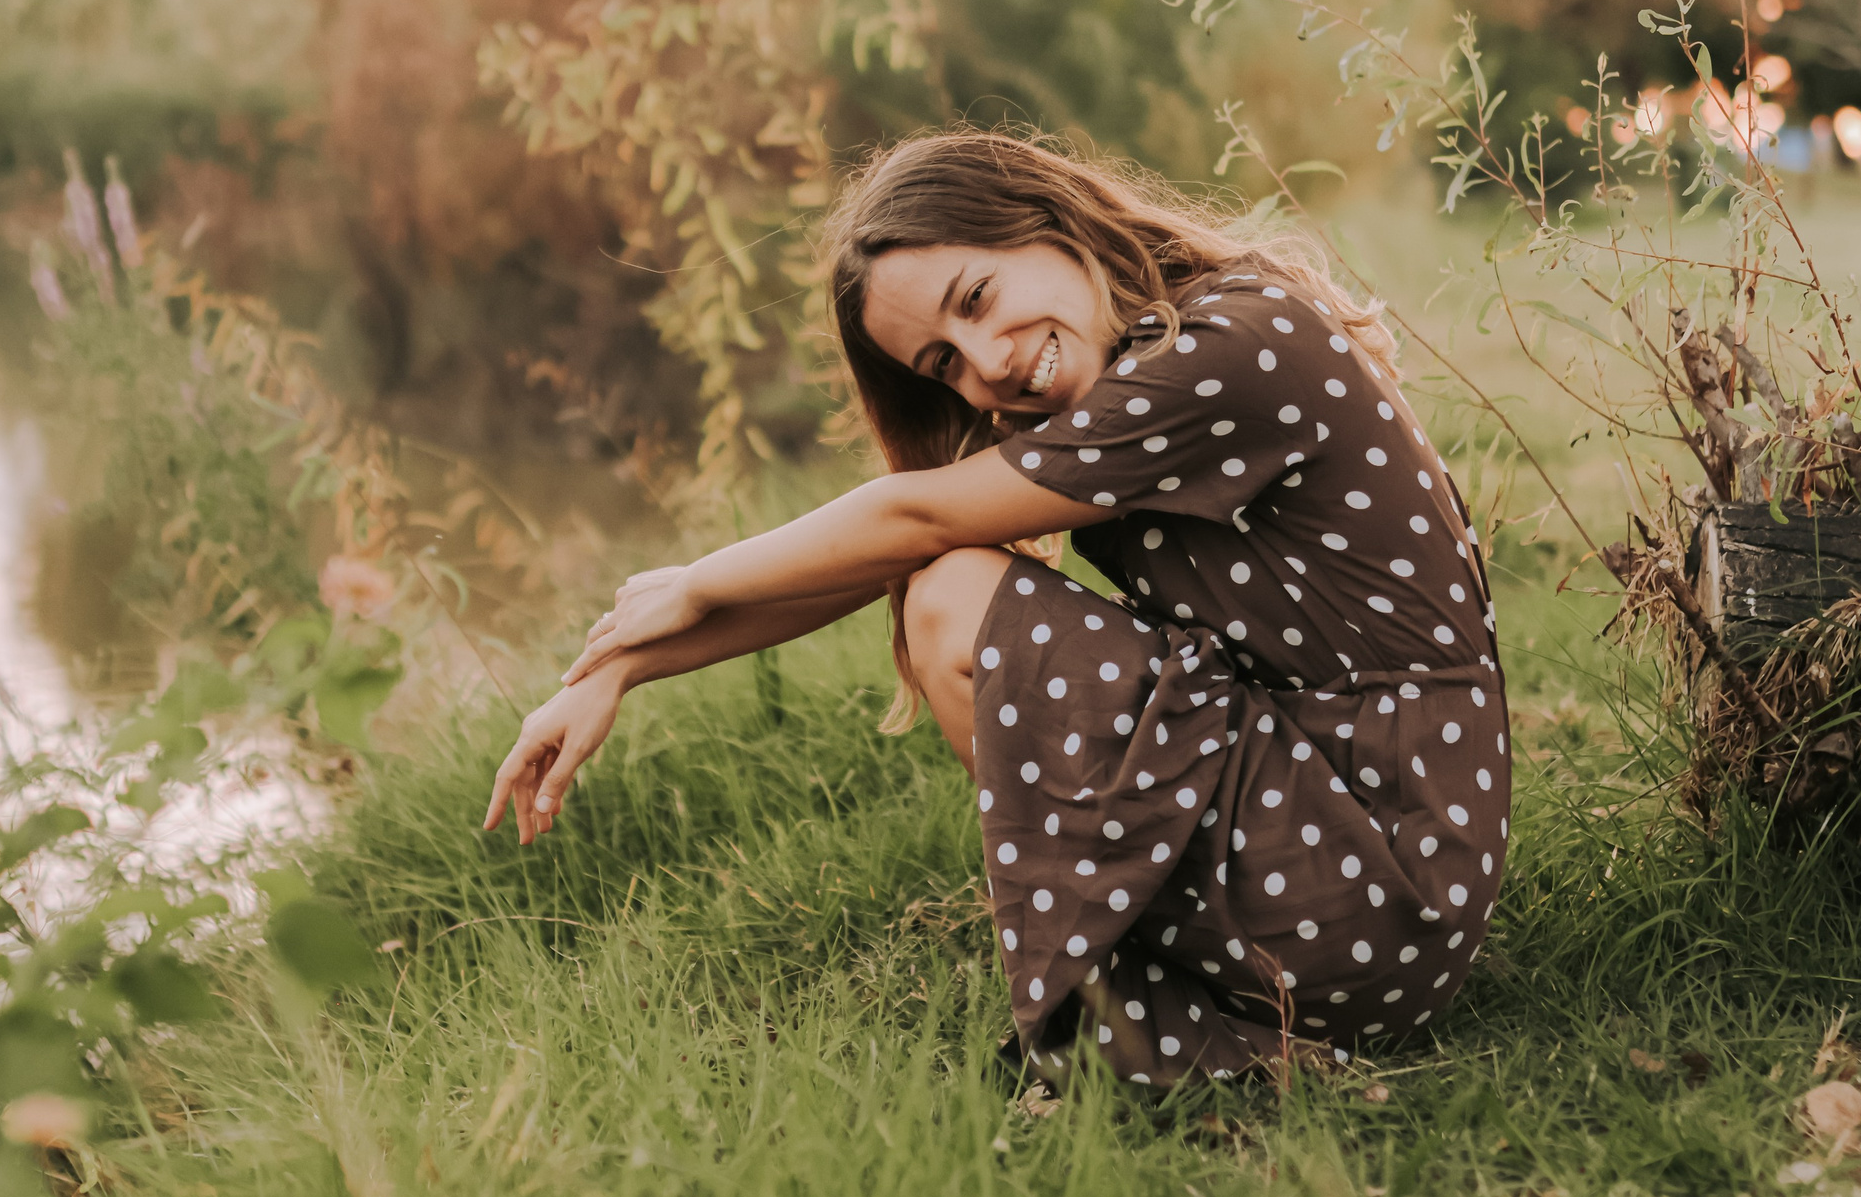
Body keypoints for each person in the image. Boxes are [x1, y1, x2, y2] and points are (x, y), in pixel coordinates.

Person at [482, 131, 1508, 1086]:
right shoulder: (1128, 366)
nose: (987, 365)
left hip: (1388, 872)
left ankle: (1153, 1007)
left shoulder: (1230, 347)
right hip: (1346, 837)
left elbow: (914, 517)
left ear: (1044, 219)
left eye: (975, 298)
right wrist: (621, 667)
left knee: (954, 600)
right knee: (940, 581)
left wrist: (693, 579)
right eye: (943, 363)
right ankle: (1153, 985)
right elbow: (878, 552)